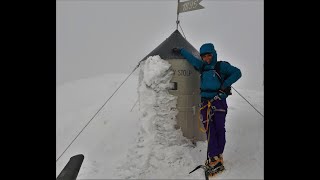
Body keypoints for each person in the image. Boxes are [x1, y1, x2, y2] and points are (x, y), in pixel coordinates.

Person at [172, 43, 241, 174]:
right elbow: (192, 59)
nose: (207, 58)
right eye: (204, 56)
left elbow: (237, 73)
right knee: (210, 130)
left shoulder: (221, 66)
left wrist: (225, 85)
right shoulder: (202, 67)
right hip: (205, 103)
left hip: (218, 102)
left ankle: (218, 157)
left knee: (220, 129)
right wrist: (181, 50)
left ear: (213, 54)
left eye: (209, 55)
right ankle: (214, 158)